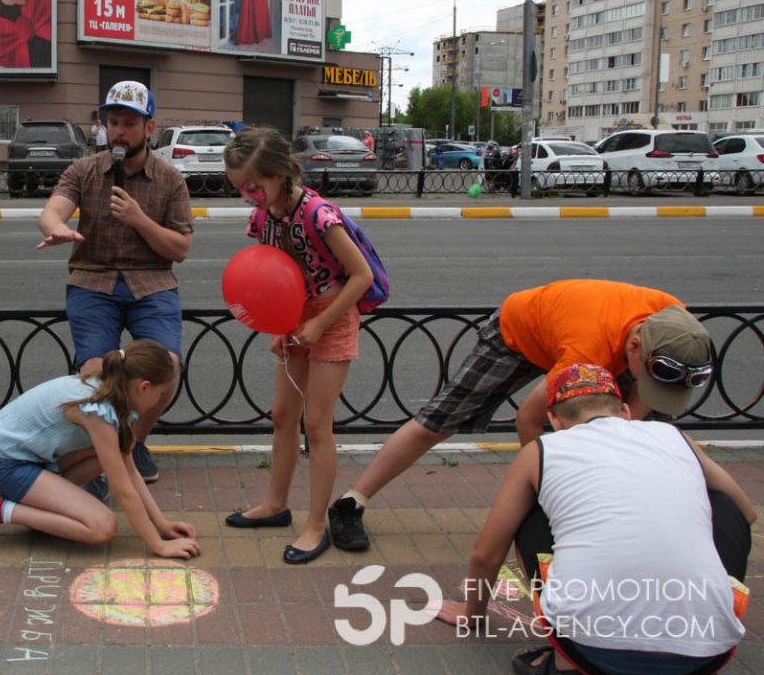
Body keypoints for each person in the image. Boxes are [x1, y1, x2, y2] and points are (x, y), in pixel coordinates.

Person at [327, 279, 714, 553]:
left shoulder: (677, 329)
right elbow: (529, 420)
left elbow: (636, 409)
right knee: (438, 422)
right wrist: (553, 488)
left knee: (629, 430)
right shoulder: (587, 349)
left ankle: (628, 499)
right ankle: (351, 503)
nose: (645, 388)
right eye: (647, 378)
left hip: (583, 334)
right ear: (634, 348)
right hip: (517, 332)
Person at [437, 364, 751, 675]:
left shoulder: (542, 450)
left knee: (529, 513)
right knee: (724, 509)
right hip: (707, 656)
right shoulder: (674, 436)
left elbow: (486, 554)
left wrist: (471, 614)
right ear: (626, 411)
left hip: (589, 654)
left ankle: (564, 666)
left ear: (555, 421)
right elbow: (746, 511)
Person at [220, 126, 374, 564]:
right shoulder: (265, 217)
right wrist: (279, 326)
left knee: (317, 424)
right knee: (283, 415)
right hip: (297, 318)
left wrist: (321, 321)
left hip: (333, 316)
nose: (249, 195)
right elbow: (274, 277)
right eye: (240, 189)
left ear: (281, 172)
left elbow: (359, 276)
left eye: (253, 185)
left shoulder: (319, 215)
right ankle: (275, 504)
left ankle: (315, 524)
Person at [36, 80, 193, 484]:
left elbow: (179, 249)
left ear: (148, 128)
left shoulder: (170, 179)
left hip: (152, 283)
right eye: (113, 122)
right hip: (94, 280)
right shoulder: (84, 170)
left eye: (128, 123)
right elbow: (54, 209)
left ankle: (129, 444)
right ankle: (96, 446)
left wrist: (139, 219)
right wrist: (57, 228)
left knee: (167, 368)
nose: (119, 131)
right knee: (93, 371)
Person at [0, 339, 200, 559]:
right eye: (160, 394)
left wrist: (162, 524)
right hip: (8, 465)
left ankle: (39, 503)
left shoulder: (115, 388)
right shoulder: (100, 411)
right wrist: (158, 546)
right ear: (144, 387)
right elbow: (122, 489)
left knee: (111, 455)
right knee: (101, 526)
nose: (160, 401)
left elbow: (129, 467)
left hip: (33, 458)